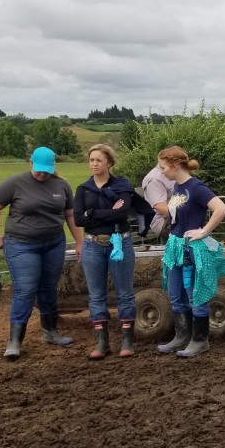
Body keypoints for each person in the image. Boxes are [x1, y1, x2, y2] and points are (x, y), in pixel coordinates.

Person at [0, 147, 84, 360]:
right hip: (21, 244)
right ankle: (14, 342)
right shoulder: (13, 184)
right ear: (30, 163)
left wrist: (79, 241)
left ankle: (50, 333)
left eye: (46, 171)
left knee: (49, 288)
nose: (42, 174)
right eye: (39, 170)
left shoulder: (61, 186)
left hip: (53, 243)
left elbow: (69, 214)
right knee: (26, 290)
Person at [154, 146, 225, 358]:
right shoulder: (178, 187)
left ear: (175, 165)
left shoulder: (195, 187)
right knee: (175, 292)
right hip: (175, 247)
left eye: (163, 167)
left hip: (191, 249)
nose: (161, 171)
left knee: (194, 294)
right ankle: (181, 336)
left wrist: (203, 232)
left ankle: (199, 340)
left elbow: (221, 208)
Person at [73, 144, 138, 359]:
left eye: (99, 160)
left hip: (119, 242)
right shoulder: (83, 189)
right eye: (91, 160)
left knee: (125, 293)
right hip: (92, 244)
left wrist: (92, 213)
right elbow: (79, 219)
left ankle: (127, 340)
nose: (94, 164)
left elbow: (122, 214)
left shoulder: (122, 185)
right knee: (96, 294)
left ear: (109, 162)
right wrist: (108, 211)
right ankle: (102, 342)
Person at [141, 160, 174, 242]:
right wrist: (185, 217)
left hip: (175, 216)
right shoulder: (154, 179)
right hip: (163, 220)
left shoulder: (174, 173)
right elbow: (160, 207)